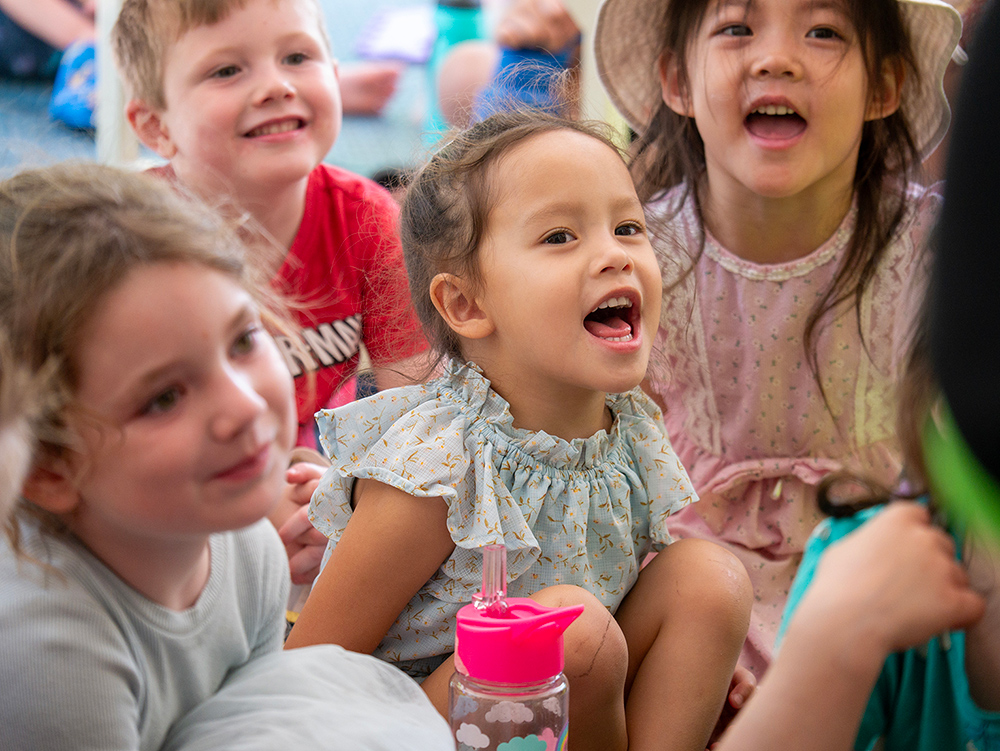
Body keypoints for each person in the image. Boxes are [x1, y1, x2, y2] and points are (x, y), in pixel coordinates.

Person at [285, 109, 754, 751]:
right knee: (572, 631)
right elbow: (309, 673)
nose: (615, 253)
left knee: (707, 578)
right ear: (466, 306)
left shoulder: (627, 431)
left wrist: (682, 680)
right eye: (561, 237)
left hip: (569, 705)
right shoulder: (439, 465)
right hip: (405, 728)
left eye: (627, 227)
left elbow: (612, 630)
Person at [0, 162, 454, 751]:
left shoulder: (246, 549)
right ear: (50, 469)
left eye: (242, 341)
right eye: (164, 398)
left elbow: (258, 721)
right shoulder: (48, 655)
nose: (242, 407)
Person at [593, 0, 962, 678]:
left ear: (884, 86)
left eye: (823, 32)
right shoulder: (639, 255)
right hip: (689, 574)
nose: (776, 57)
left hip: (871, 550)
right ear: (677, 81)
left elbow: (955, 445)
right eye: (737, 28)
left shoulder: (925, 250)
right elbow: (600, 454)